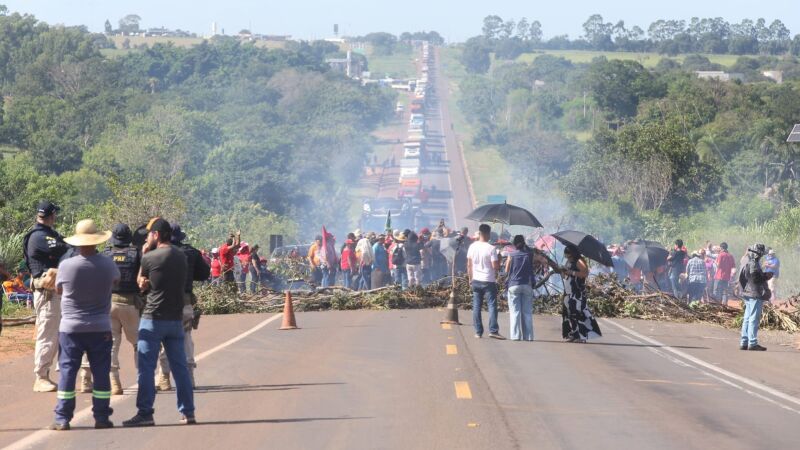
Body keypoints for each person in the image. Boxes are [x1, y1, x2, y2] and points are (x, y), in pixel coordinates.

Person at [124, 219, 195, 427]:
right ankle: (188, 412)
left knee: (146, 368)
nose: (147, 238)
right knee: (180, 368)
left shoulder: (150, 257)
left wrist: (144, 253)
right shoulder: (181, 256)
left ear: (156, 235)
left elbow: (141, 283)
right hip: (175, 320)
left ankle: (145, 413)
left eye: (149, 234)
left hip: (153, 319)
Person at [51, 219, 119, 430]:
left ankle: (62, 418)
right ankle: (101, 417)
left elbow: (58, 289)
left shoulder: (66, 265)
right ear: (97, 240)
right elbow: (115, 282)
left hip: (71, 328)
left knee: (68, 372)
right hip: (100, 327)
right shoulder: (108, 264)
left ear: (77, 242)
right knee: (101, 372)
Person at [24, 201, 71, 393]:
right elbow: (65, 249)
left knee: (61, 333)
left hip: (56, 292)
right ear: (51, 215)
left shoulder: (49, 234)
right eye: (54, 215)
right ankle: (41, 377)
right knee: (48, 335)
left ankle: (58, 372)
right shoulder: (39, 236)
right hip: (47, 293)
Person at [157, 223, 210, 390]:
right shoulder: (191, 252)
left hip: (162, 303)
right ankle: (189, 377)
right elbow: (204, 274)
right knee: (186, 338)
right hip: (184, 302)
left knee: (164, 339)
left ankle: (164, 378)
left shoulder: (156, 253)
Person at [101, 224, 143, 396]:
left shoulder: (105, 254)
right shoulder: (136, 254)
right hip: (130, 304)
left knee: (112, 345)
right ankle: (143, 380)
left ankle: (114, 382)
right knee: (139, 344)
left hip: (109, 304)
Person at [467, 224, 502, 339]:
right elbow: (495, 267)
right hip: (488, 281)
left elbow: (469, 265)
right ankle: (493, 330)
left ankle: (478, 332)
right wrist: (499, 258)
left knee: (476, 306)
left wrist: (470, 278)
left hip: (476, 280)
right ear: (488, 234)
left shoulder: (472, 247)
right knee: (492, 305)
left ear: (480, 233)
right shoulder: (491, 248)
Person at [560, 244, 602, 343]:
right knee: (570, 313)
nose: (568, 258)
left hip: (577, 292)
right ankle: (574, 334)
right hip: (569, 291)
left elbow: (585, 273)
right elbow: (565, 275)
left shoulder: (579, 261)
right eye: (566, 257)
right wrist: (563, 271)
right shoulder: (568, 261)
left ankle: (582, 336)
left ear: (573, 254)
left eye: (569, 256)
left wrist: (572, 272)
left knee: (578, 313)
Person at [738, 244, 773, 351]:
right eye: (761, 254)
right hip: (755, 294)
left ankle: (744, 342)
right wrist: (766, 276)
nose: (762, 256)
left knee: (747, 318)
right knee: (753, 318)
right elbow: (755, 279)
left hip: (748, 293)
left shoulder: (747, 262)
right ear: (758, 254)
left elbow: (744, 278)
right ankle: (752, 343)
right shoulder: (754, 264)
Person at [505, 235, 534, 341]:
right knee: (527, 312)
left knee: (515, 312)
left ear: (514, 244)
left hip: (514, 285)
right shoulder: (529, 255)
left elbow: (507, 270)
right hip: (527, 285)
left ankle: (516, 336)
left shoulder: (511, 255)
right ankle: (529, 336)